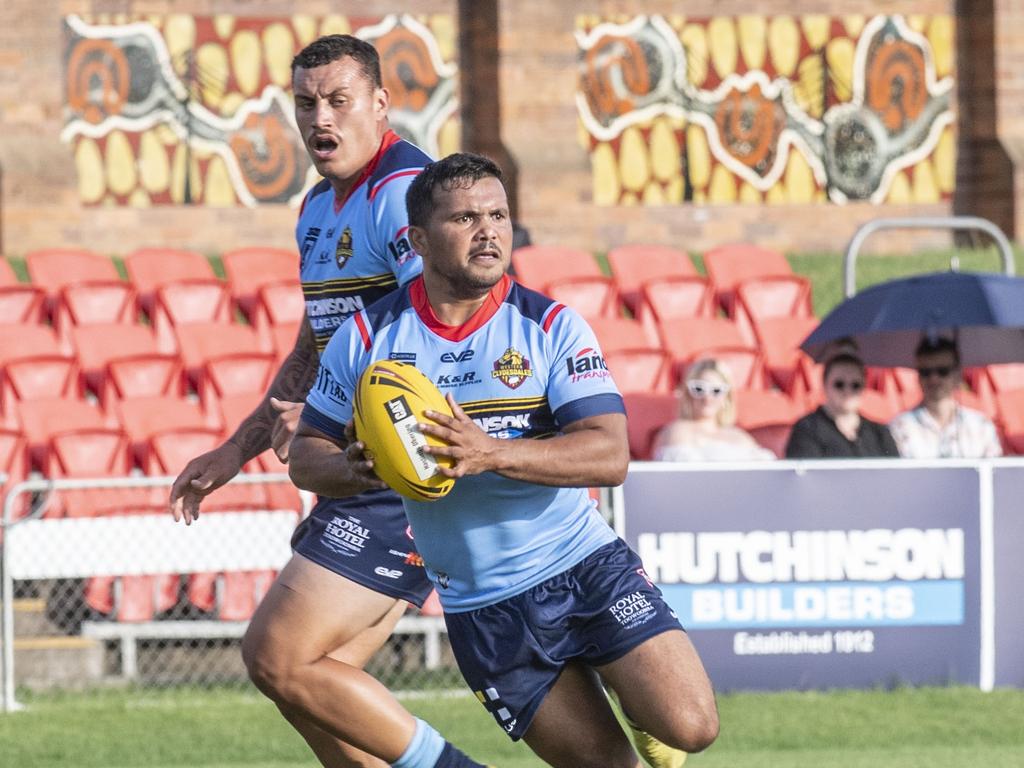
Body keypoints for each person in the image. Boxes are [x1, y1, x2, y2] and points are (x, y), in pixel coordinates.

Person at [289, 153, 719, 768]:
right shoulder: (367, 338)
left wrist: (490, 452)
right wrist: (358, 467)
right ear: (416, 239)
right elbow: (306, 456)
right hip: (484, 607)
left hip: (584, 567)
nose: (488, 230)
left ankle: (638, 698)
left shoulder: (549, 325)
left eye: (498, 215)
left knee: (692, 726)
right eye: (465, 218)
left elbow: (610, 453)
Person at [168, 35, 486, 768]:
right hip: (354, 464)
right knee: (312, 687)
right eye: (307, 103)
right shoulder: (316, 207)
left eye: (339, 101)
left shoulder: (409, 193)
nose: (322, 119)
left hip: (401, 468)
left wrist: (349, 408)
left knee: (276, 654)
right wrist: (238, 448)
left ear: (379, 104)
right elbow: (316, 343)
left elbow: (447, 317)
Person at [889, 337, 1002, 459]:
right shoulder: (898, 428)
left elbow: (994, 474)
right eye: (926, 372)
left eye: (942, 371)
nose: (934, 379)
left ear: (958, 374)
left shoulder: (981, 426)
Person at [651, 358, 774, 462]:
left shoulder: (741, 437)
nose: (707, 398)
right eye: (699, 389)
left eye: (716, 390)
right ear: (687, 394)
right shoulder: (676, 432)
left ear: (727, 397)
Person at [785, 352, 899, 458]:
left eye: (855, 385)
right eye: (839, 384)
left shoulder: (879, 432)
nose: (847, 391)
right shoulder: (807, 429)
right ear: (824, 385)